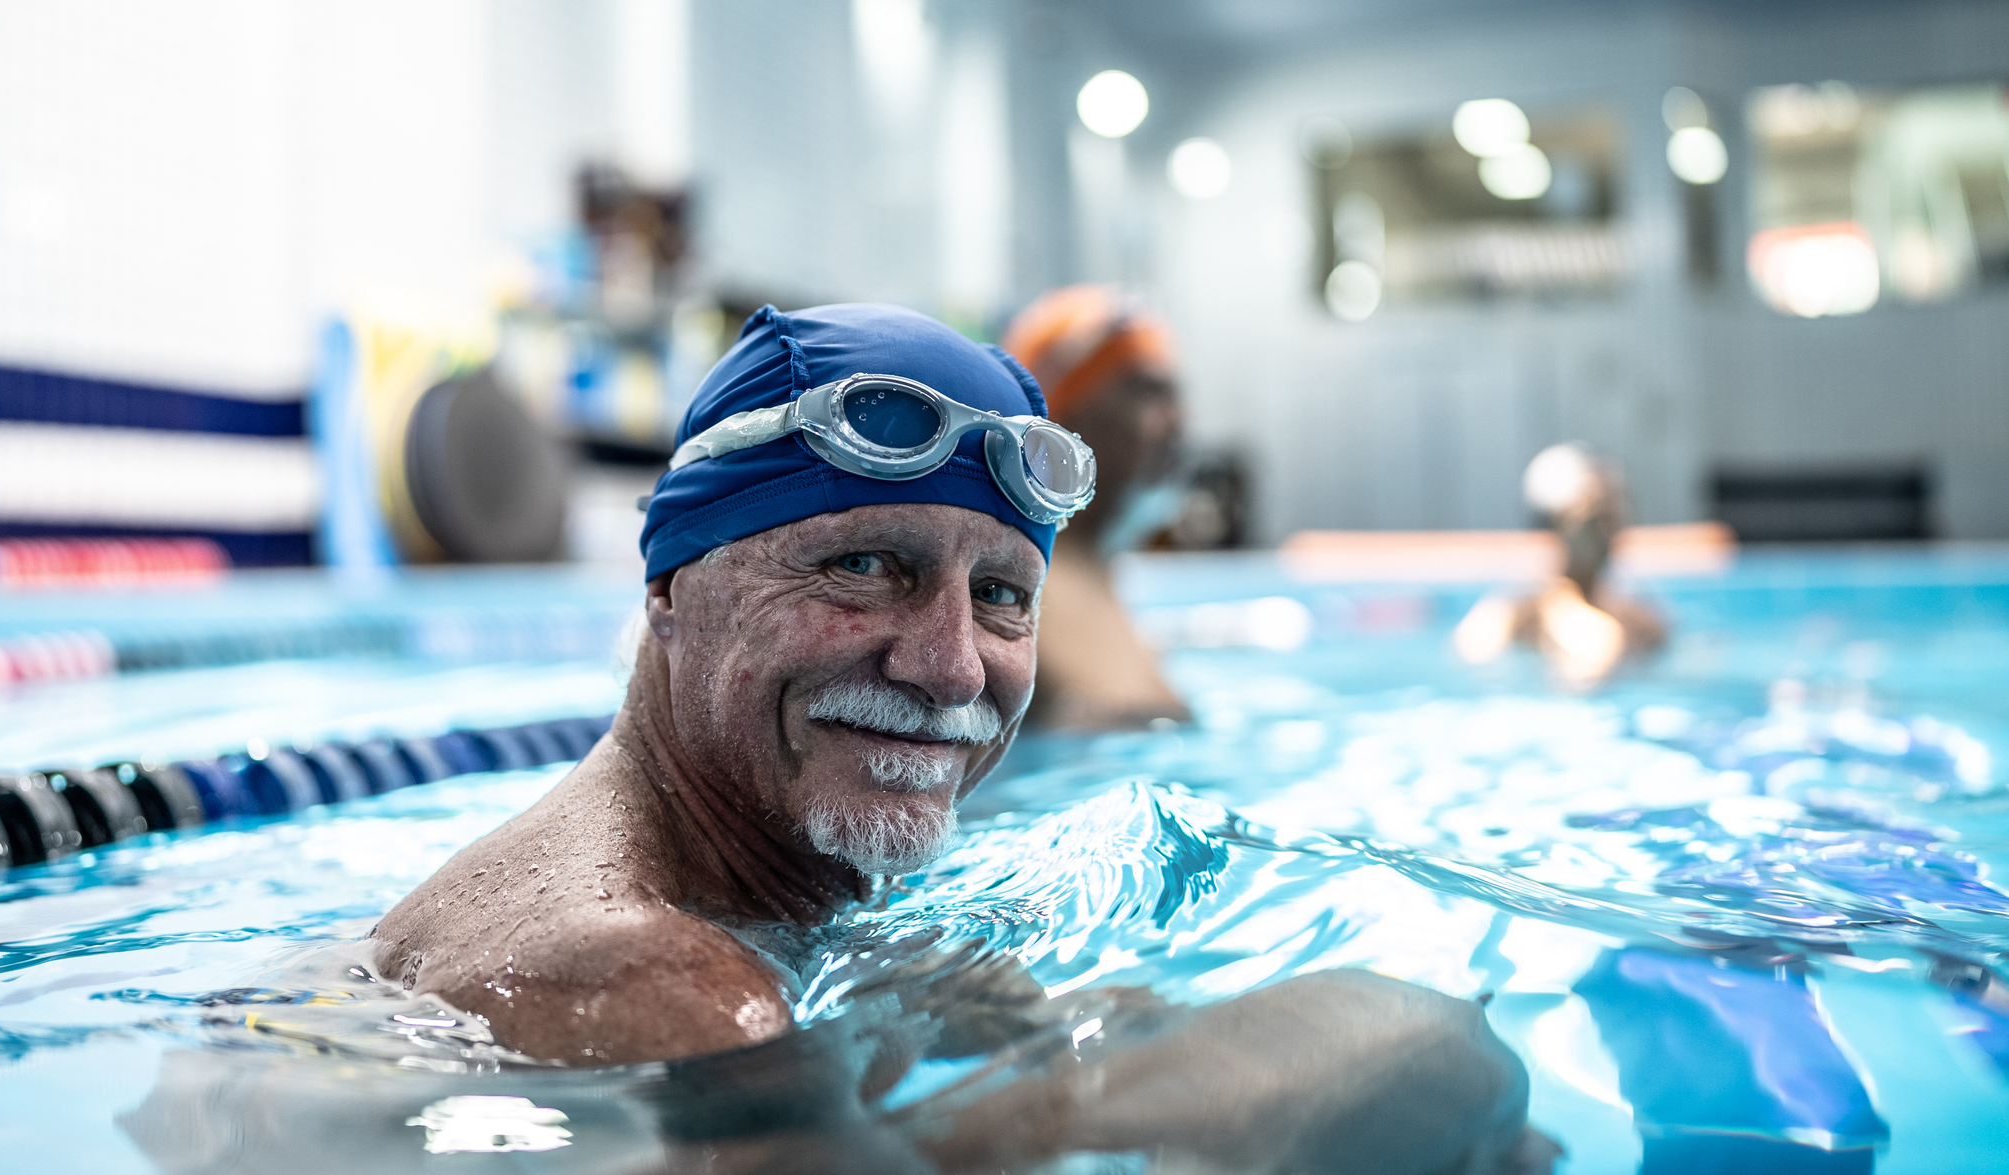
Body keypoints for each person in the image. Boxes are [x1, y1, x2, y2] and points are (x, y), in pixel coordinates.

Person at [374, 303, 1556, 1173]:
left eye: (1001, 594)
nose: (948, 667)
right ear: (672, 587)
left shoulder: (773, 904)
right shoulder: (658, 986)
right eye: (864, 564)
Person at [999, 285, 1193, 729]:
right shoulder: (1023, 587)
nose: (1177, 422)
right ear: (1063, 420)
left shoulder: (1094, 572)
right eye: (1145, 391)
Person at [1454, 442, 1668, 685]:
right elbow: (1471, 652)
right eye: (1593, 516)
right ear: (1557, 521)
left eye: (1612, 516)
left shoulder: (1640, 617)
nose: (1605, 531)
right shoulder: (1520, 609)